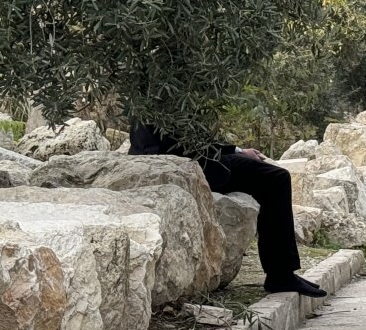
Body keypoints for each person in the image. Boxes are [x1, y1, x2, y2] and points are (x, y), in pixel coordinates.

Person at [128, 124, 327, 297]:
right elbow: (184, 138)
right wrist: (236, 151)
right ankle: (281, 275)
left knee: (273, 177)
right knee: (276, 179)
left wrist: (234, 150)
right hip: (190, 162)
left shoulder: (148, 88)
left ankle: (281, 274)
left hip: (177, 157)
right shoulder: (170, 89)